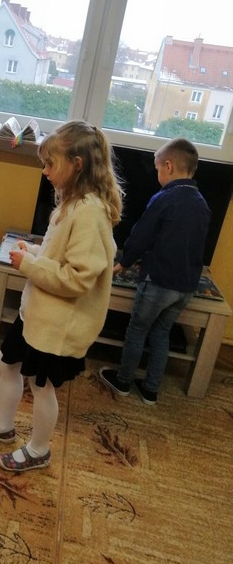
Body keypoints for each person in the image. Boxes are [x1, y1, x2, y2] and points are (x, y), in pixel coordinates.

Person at [0, 120, 123, 472]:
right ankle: (3, 427)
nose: (45, 171)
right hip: (38, 313)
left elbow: (77, 279)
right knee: (7, 362)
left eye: (51, 163)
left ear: (77, 164)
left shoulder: (90, 213)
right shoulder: (73, 203)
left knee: (42, 386)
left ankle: (39, 450)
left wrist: (30, 265)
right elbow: (58, 258)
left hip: (59, 326)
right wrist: (34, 253)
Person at [99, 138, 210, 405]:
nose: (158, 174)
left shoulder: (164, 198)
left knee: (137, 330)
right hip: (185, 286)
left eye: (158, 169)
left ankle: (123, 381)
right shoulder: (202, 204)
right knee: (161, 332)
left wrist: (123, 263)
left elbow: (141, 236)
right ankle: (150, 390)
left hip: (159, 281)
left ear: (168, 166)